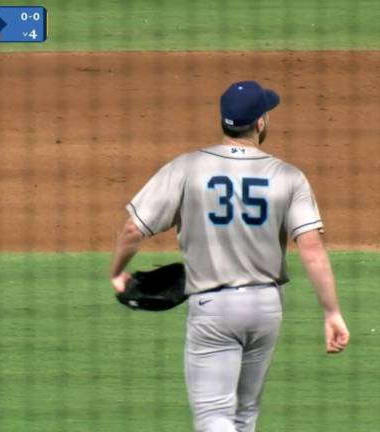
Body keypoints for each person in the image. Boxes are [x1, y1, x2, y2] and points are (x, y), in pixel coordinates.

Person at [109, 80, 350, 432]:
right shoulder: (287, 176)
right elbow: (311, 249)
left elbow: (133, 229)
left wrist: (117, 272)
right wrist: (331, 312)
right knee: (244, 416)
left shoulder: (187, 168)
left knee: (214, 417)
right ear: (261, 122)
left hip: (213, 308)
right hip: (266, 307)